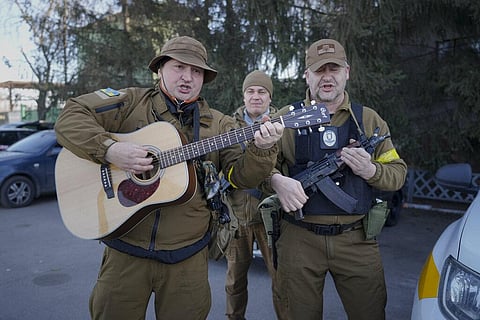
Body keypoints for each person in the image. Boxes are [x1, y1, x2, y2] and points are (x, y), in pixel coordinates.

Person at [54, 36, 284, 320]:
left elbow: (241, 177)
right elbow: (71, 114)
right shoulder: (129, 102)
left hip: (187, 259)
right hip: (125, 255)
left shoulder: (221, 124)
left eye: (196, 71)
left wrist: (263, 149)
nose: (187, 77)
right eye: (179, 67)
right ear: (160, 68)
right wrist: (110, 149)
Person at [260, 39, 408, 320]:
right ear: (307, 75)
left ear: (347, 72)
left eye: (334, 68)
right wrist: (277, 181)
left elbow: (398, 174)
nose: (327, 76)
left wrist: (371, 170)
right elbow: (255, 172)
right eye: (319, 70)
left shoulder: (368, 120)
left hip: (357, 240)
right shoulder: (285, 120)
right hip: (299, 240)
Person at [224, 70, 284, 320]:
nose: (256, 96)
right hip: (238, 215)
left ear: (270, 97)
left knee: (282, 281)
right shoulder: (227, 125)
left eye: (262, 92)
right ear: (244, 95)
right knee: (234, 283)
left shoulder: (284, 124)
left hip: (273, 217)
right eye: (251, 91)